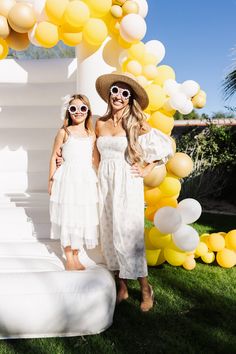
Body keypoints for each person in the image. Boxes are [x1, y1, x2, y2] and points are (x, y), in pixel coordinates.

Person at [95, 74, 173, 312]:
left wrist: (148, 166)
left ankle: (146, 288)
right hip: (104, 183)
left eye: (125, 93)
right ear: (110, 94)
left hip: (127, 183)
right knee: (109, 232)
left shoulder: (136, 123)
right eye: (116, 91)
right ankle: (122, 287)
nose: (119, 96)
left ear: (129, 100)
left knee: (130, 235)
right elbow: (95, 156)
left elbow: (164, 148)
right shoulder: (99, 122)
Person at [48, 94, 99, 271]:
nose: (78, 112)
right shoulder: (64, 132)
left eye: (82, 108)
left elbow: (95, 159)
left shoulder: (91, 135)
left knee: (80, 218)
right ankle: (69, 256)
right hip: (67, 179)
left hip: (84, 180)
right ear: (68, 112)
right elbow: (54, 156)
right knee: (68, 217)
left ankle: (77, 255)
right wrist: (51, 180)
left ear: (88, 111)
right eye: (73, 108)